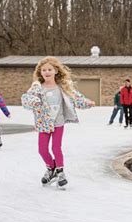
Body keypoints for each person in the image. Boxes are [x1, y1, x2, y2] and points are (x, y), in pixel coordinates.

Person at [21, 56, 94, 188]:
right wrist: (34, 101)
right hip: (43, 123)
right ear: (40, 72)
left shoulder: (63, 87)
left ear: (56, 71)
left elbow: (76, 98)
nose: (47, 72)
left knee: (56, 148)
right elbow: (26, 99)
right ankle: (51, 168)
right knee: (42, 150)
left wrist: (87, 103)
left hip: (58, 122)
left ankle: (60, 172)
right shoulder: (37, 87)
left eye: (50, 69)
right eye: (44, 70)